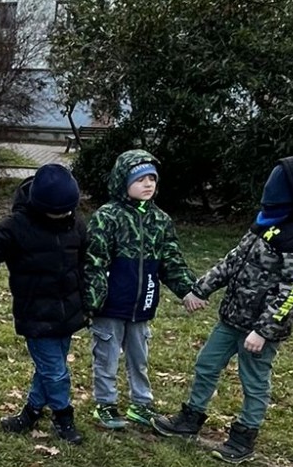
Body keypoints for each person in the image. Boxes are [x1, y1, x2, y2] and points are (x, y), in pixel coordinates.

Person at [155, 156, 293, 462]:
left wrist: (263, 331)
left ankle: (244, 437)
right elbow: (233, 261)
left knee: (253, 381)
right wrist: (201, 288)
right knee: (206, 364)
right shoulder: (267, 221)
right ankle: (190, 418)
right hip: (231, 318)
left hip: (258, 332)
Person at [0, 161, 90, 443]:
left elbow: (86, 264)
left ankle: (31, 412)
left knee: (49, 368)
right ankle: (63, 417)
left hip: (69, 312)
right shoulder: (15, 227)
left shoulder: (75, 224)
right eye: (58, 212)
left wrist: (91, 300)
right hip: (35, 313)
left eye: (68, 210)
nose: (64, 216)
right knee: (55, 371)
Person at [83, 149, 204, 430]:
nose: (148, 184)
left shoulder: (160, 220)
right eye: (140, 179)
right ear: (122, 182)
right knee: (107, 357)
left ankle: (141, 403)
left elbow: (171, 260)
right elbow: (93, 261)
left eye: (152, 179)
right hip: (110, 306)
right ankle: (105, 403)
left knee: (139, 358)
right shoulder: (107, 217)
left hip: (142, 305)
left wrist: (188, 290)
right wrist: (92, 301)